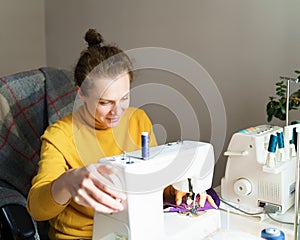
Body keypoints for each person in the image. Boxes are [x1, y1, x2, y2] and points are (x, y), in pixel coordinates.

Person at [27, 29, 216, 240]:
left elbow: (153, 180)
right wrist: (67, 182)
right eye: (105, 103)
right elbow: (36, 208)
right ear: (81, 93)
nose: (116, 112)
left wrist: (176, 191)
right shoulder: (59, 137)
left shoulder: (138, 120)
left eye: (124, 98)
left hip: (135, 229)